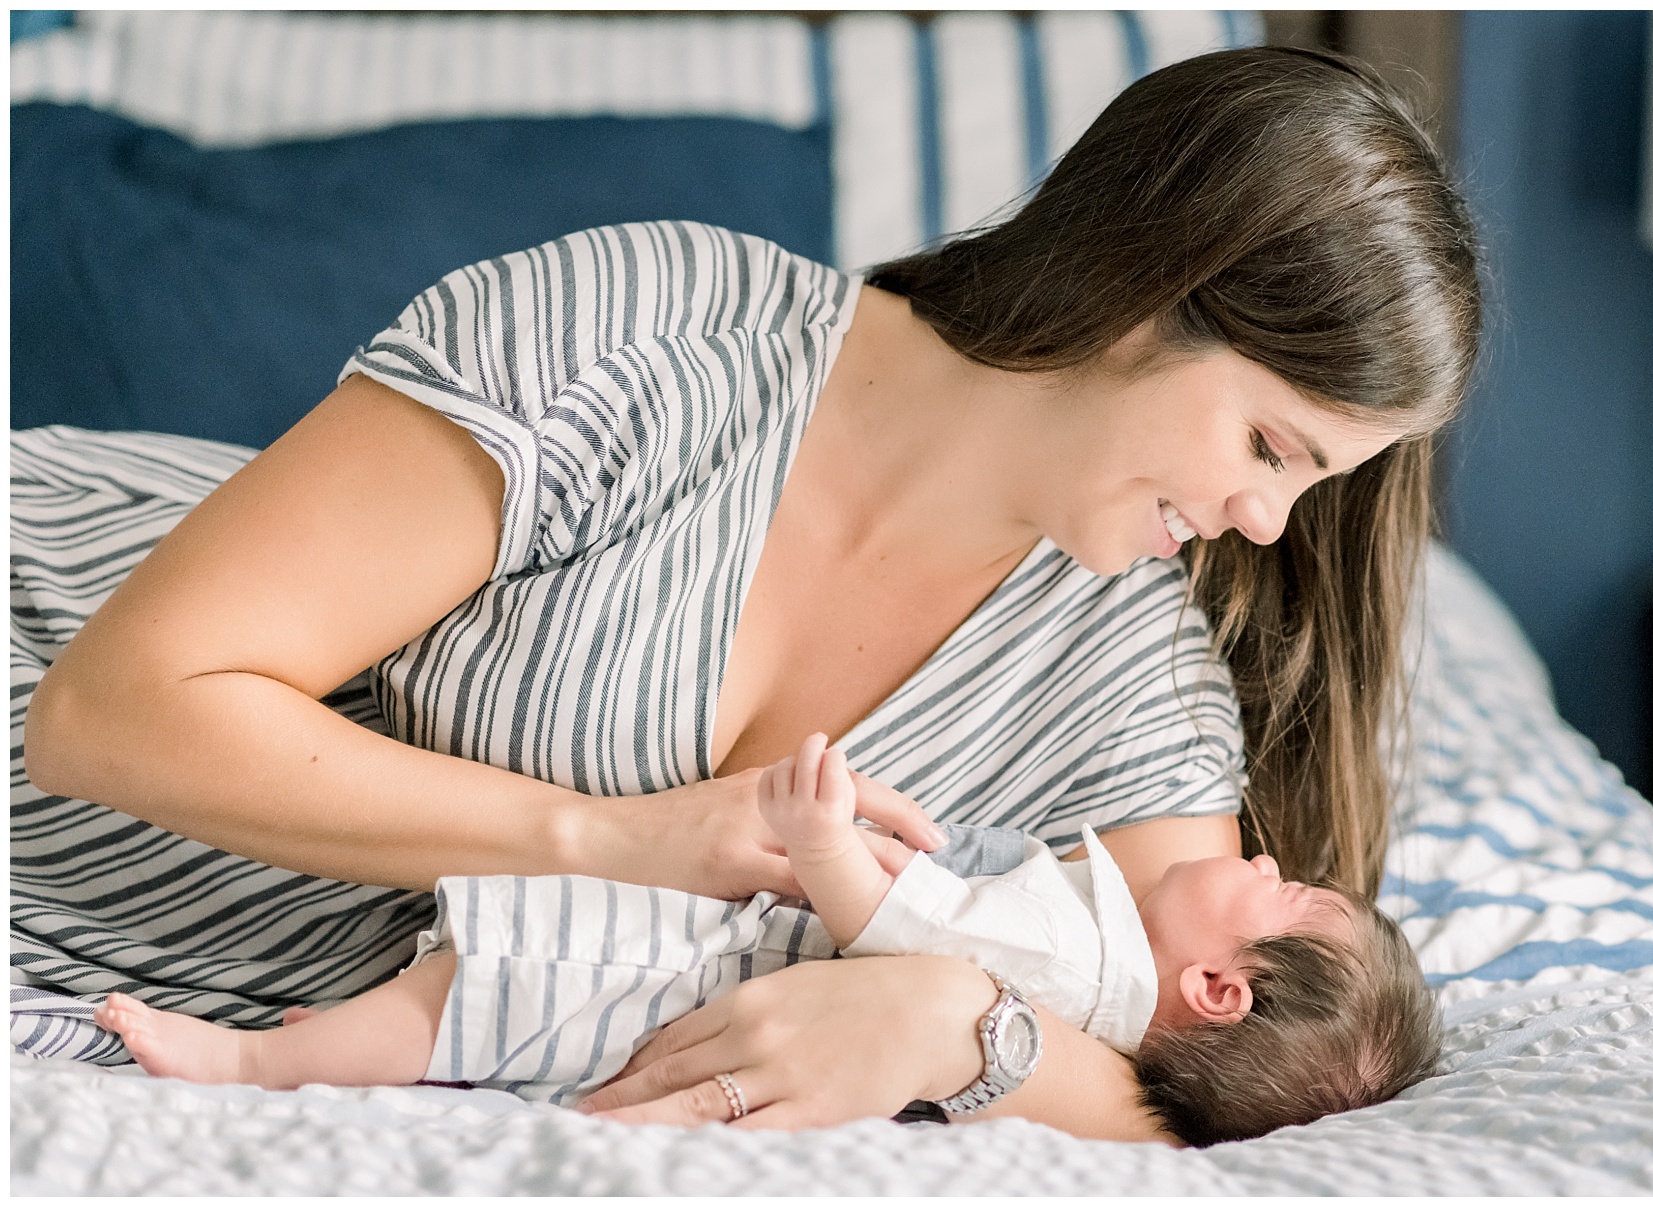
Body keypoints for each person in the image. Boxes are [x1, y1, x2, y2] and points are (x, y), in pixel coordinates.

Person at [19, 46, 1480, 1141]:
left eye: (1317, 486)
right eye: (1267, 446)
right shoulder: (650, 337)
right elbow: (112, 714)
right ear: (1141, 289)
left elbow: (1197, 1091)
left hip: (248, 1010)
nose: (1263, 521)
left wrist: (954, 1018)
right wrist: (610, 841)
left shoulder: (1130, 671)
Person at [91, 732, 1439, 1148]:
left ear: (1212, 988)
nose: (1260, 855)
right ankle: (291, 1054)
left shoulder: (1089, 962)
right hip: (719, 972)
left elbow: (912, 928)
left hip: (687, 977)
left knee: (470, 992)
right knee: (461, 995)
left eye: (1282, 892)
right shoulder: (1094, 982)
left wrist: (822, 840)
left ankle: (252, 1075)